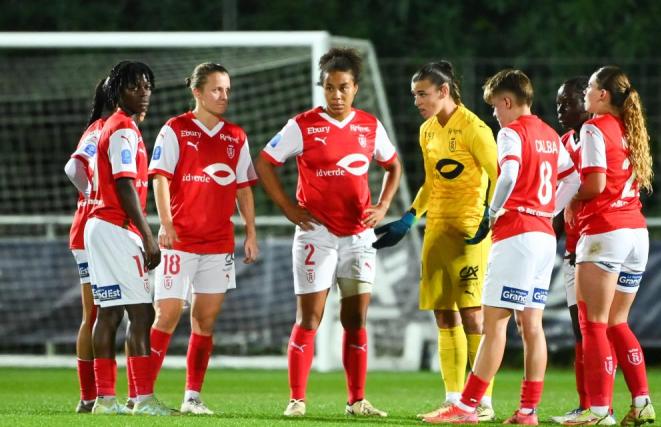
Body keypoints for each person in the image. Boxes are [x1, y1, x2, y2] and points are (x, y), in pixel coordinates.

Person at [423, 69, 579, 425]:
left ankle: (466, 407)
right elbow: (574, 178)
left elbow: (507, 174)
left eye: (495, 107)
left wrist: (493, 212)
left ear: (507, 102)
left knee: (494, 325)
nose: (494, 114)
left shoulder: (511, 133)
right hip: (542, 237)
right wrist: (549, 209)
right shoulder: (550, 135)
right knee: (532, 326)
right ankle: (527, 411)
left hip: (517, 235)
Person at [255, 47, 402, 418]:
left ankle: (357, 401)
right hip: (316, 234)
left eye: (343, 87)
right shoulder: (302, 125)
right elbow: (265, 161)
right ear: (321, 87)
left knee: (356, 321)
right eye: (329, 87)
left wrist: (383, 207)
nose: (336, 95)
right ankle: (297, 400)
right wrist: (289, 208)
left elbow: (393, 166)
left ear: (356, 88)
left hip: (358, 237)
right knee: (310, 318)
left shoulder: (369, 126)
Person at [373, 60, 497, 421]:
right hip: (437, 230)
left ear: (444, 91)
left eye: (422, 94)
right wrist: (411, 217)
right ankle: (454, 398)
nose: (417, 101)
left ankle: (482, 402)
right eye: (414, 95)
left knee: (473, 316)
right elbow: (432, 182)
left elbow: (499, 174)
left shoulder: (475, 129)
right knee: (444, 316)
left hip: (470, 232)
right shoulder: (427, 131)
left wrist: (490, 214)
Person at [147, 62, 259, 415]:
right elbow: (160, 178)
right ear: (197, 92)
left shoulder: (235, 136)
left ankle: (192, 396)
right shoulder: (175, 129)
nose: (224, 96)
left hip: (218, 244)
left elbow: (243, 189)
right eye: (216, 89)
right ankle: (141, 394)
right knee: (166, 315)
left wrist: (250, 232)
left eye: (227, 89)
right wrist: (165, 223)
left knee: (205, 321)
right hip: (179, 242)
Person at [562, 66, 655, 426]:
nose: (585, 92)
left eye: (589, 87)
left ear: (603, 95)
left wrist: (571, 199)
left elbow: (596, 183)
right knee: (617, 322)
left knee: (594, 324)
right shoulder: (630, 127)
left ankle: (599, 411)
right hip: (636, 233)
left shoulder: (593, 127)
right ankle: (642, 402)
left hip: (605, 233)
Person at [84, 60, 170, 416]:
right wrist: (148, 235)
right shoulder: (124, 130)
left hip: (98, 226)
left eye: (147, 86)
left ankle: (105, 401)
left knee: (109, 313)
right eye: (135, 87)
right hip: (116, 228)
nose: (144, 92)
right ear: (117, 91)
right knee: (141, 313)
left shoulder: (112, 126)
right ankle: (144, 400)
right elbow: (123, 184)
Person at [549, 76, 597, 424]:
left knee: (602, 328)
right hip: (573, 247)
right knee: (580, 330)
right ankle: (586, 405)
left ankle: (604, 404)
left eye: (567, 102)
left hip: (599, 245)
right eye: (558, 103)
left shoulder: (601, 136)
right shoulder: (565, 142)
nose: (561, 109)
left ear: (587, 101)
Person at [64, 77, 113, 413]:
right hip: (94, 228)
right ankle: (95, 395)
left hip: (90, 227)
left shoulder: (106, 126)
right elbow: (73, 166)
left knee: (97, 313)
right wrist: (93, 196)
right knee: (99, 312)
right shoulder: (102, 128)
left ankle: (91, 396)